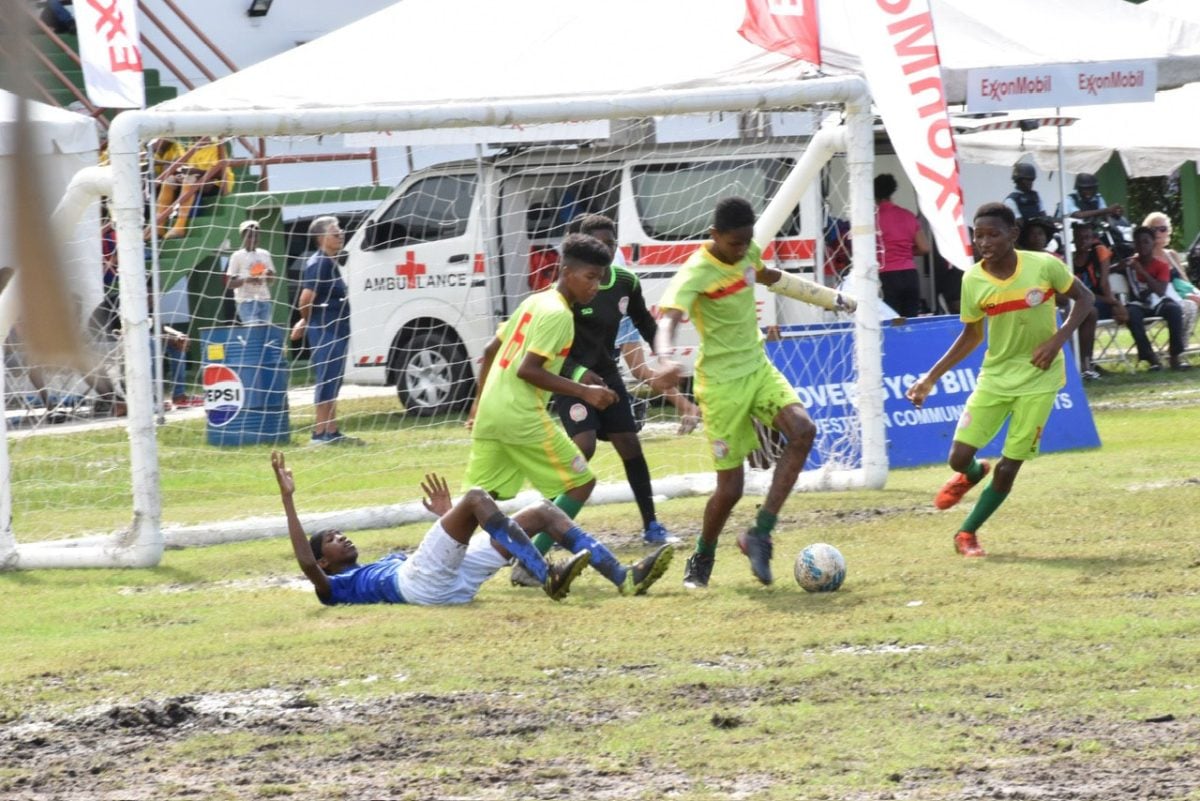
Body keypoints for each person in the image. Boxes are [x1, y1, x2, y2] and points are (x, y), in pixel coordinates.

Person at [466, 233, 674, 595]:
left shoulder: (534, 301)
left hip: (492, 414)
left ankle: (431, 563)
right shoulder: (560, 314)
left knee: (477, 501)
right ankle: (545, 568)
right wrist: (585, 392)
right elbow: (528, 370)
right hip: (520, 415)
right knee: (581, 483)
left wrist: (477, 404)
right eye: (590, 278)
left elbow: (490, 349)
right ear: (566, 271)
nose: (596, 286)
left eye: (600, 279)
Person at [906, 202, 1094, 558]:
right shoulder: (973, 279)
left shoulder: (1044, 266)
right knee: (958, 458)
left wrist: (1057, 340)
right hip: (995, 377)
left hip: (1040, 378)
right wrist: (930, 378)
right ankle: (972, 474)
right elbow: (971, 335)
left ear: (1013, 234)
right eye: (979, 235)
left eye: (993, 234)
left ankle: (967, 533)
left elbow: (1085, 300)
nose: (985, 242)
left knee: (1010, 465)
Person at [653, 197, 819, 588]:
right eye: (734, 243)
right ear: (714, 235)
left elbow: (765, 274)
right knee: (730, 489)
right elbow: (668, 321)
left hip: (758, 368)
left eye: (747, 241)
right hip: (721, 385)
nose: (742, 249)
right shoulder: (695, 272)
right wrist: (663, 360)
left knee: (803, 430)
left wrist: (826, 297)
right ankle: (703, 555)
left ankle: (760, 532)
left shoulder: (748, 250)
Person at [270, 451, 590, 606]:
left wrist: (448, 516)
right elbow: (306, 564)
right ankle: (543, 573)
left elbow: (444, 560)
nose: (342, 536)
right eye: (331, 538)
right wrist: (288, 498)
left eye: (339, 532)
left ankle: (620, 573)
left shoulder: (383, 562)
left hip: (452, 587)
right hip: (417, 586)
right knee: (477, 497)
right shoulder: (334, 586)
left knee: (537, 511)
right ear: (324, 561)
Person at [549, 214, 678, 546]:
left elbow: (648, 326)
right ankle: (547, 526)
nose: (606, 251)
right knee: (584, 447)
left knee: (630, 445)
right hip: (572, 378)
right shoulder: (566, 288)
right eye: (599, 244)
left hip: (606, 375)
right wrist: (578, 375)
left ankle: (652, 526)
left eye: (611, 244)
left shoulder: (625, 282)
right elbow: (547, 350)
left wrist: (663, 358)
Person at [290, 216, 362, 445]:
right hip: (326, 331)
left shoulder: (330, 262)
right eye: (335, 231)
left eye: (340, 229)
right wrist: (306, 321)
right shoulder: (319, 263)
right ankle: (320, 434)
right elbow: (305, 299)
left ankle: (332, 431)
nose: (340, 234)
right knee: (326, 380)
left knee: (334, 380)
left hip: (337, 330)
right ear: (321, 237)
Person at [614, 316, 701, 434]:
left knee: (638, 369)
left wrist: (665, 359)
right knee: (638, 370)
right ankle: (633, 404)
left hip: (615, 315)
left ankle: (687, 407)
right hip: (612, 314)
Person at [1118, 226, 1189, 371]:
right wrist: (1118, 266)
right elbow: (1107, 271)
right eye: (1139, 243)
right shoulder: (1130, 263)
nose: (1143, 246)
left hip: (1157, 301)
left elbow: (1161, 291)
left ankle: (1175, 356)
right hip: (1138, 303)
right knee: (1132, 315)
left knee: (1174, 310)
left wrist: (1141, 271)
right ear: (1135, 245)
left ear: (1153, 244)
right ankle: (1151, 358)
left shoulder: (1161, 265)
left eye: (1146, 242)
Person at [1068, 224, 1125, 380]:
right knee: (1088, 310)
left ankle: (1151, 359)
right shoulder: (1068, 260)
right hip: (1079, 303)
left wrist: (1115, 304)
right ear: (1073, 239)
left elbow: (1104, 284)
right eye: (1079, 238)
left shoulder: (1099, 252)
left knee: (1130, 312)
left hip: (1099, 300)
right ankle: (1086, 363)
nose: (1083, 242)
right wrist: (1114, 303)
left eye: (1087, 238)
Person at [150, 137, 234, 240]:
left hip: (217, 183)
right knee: (170, 181)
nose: (195, 137)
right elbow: (186, 168)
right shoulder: (191, 146)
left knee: (189, 181)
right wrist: (182, 174)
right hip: (197, 180)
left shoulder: (216, 146)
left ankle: (179, 227)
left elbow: (219, 172)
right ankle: (159, 228)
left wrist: (193, 172)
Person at [874, 173, 930, 318]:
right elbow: (924, 247)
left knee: (890, 320)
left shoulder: (872, 219)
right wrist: (906, 252)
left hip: (886, 276)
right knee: (910, 320)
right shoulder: (908, 215)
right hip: (910, 275)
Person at [1142, 211, 1200, 341]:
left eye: (1162, 229)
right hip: (1160, 298)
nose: (1158, 232)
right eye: (1153, 229)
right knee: (1190, 305)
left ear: (1168, 232)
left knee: (1194, 301)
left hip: (1180, 294)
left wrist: (1191, 292)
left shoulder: (1171, 254)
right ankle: (1179, 347)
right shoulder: (1145, 257)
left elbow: (1184, 280)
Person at [226, 220, 276, 325]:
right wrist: (247, 280)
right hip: (246, 302)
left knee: (265, 334)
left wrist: (268, 274)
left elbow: (271, 281)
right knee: (253, 332)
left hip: (264, 300)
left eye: (256, 236)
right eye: (249, 236)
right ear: (243, 238)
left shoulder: (265, 254)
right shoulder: (237, 256)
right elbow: (229, 283)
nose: (253, 239)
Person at [1003, 162, 1047, 226]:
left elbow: (1044, 216)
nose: (1030, 183)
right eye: (1027, 179)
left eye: (1032, 180)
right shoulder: (1010, 201)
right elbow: (1019, 223)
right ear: (1018, 180)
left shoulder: (1035, 196)